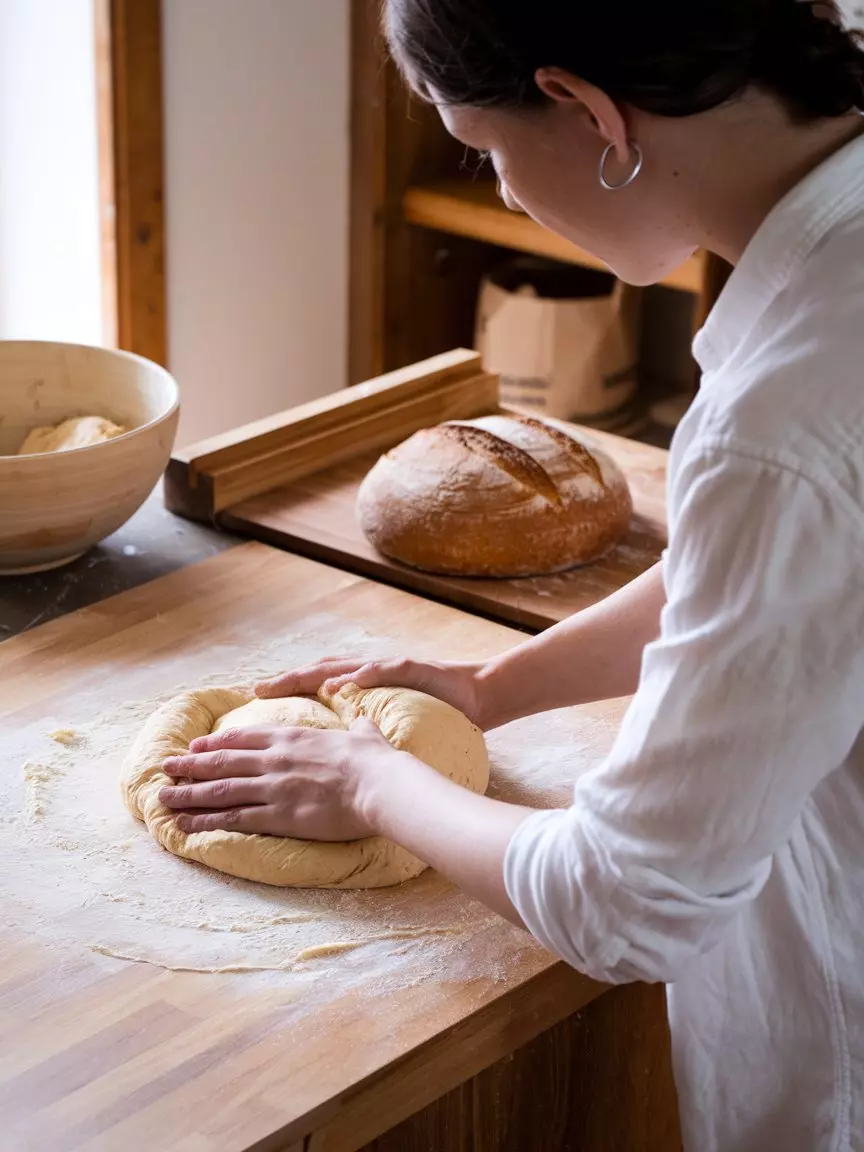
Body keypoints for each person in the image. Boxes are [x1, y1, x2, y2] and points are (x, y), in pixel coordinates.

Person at [159, 2, 864, 1147]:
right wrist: (493, 689)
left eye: (486, 151)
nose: (503, 192)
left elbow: (630, 904)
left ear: (588, 110)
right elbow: (784, 579)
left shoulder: (795, 402)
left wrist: (368, 784)